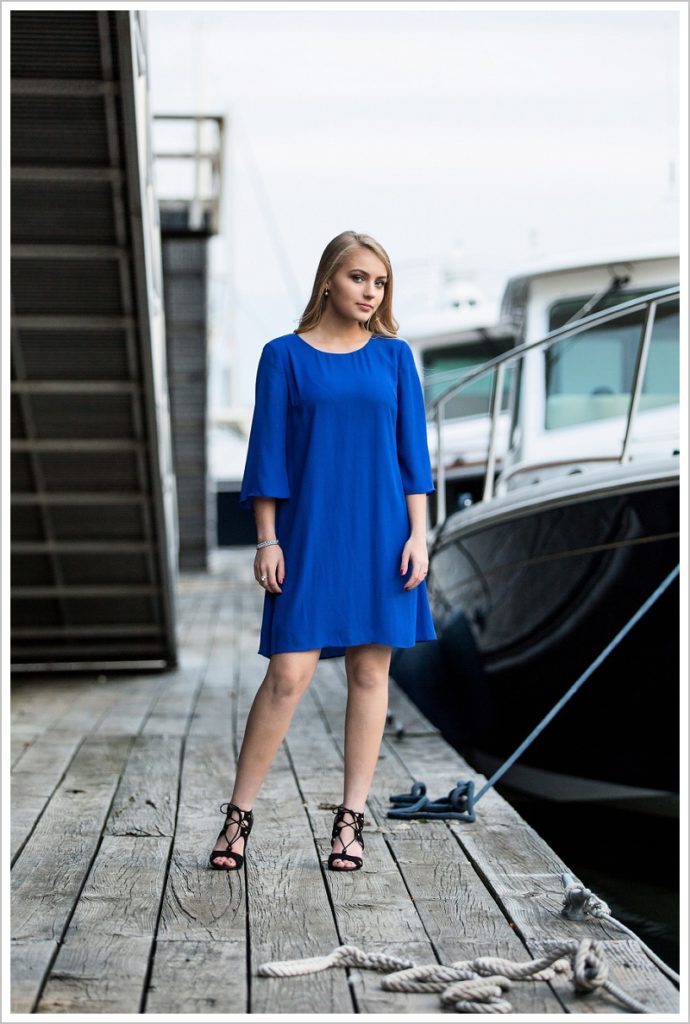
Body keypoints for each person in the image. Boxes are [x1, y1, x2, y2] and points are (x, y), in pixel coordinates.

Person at [209, 230, 436, 873]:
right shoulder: (283, 356)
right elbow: (268, 456)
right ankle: (238, 817)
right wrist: (267, 538)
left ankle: (349, 822)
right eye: (360, 278)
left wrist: (419, 535)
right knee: (288, 675)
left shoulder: (394, 358)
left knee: (369, 674)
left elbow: (412, 457)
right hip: (309, 535)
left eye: (381, 283)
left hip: (384, 534)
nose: (371, 292)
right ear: (329, 280)